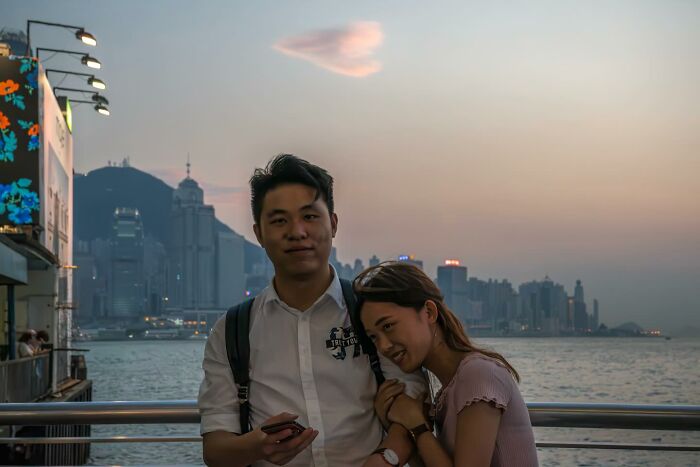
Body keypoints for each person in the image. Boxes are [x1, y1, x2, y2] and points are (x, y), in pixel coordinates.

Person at [198, 154, 426, 467]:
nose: (297, 231)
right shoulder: (233, 331)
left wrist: (384, 460)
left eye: (309, 216)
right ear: (259, 233)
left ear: (333, 224)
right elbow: (215, 446)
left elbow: (413, 401)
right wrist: (256, 447)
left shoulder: (371, 313)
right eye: (279, 221)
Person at [354, 262, 539, 467]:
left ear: (429, 313)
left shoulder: (478, 374)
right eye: (374, 338)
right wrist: (395, 423)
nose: (383, 346)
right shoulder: (449, 389)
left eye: (388, 326)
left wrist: (417, 426)